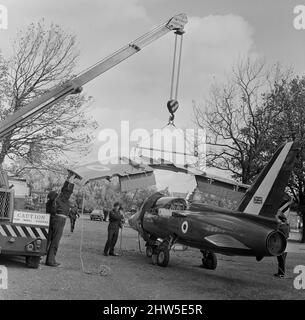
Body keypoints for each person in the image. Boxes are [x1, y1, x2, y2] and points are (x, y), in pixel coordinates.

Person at [46, 171, 78, 267]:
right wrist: (71, 180)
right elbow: (67, 190)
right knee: (55, 241)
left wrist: (69, 178)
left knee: (49, 239)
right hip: (60, 221)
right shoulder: (61, 199)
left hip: (53, 220)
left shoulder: (51, 202)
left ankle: (42, 257)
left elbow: (65, 190)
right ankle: (51, 261)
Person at [274, 210, 290, 278]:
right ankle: (280, 273)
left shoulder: (281, 227)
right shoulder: (286, 226)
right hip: (285, 245)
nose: (277, 220)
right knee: (281, 260)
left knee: (281, 260)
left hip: (282, 245)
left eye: (278, 219)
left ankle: (281, 274)